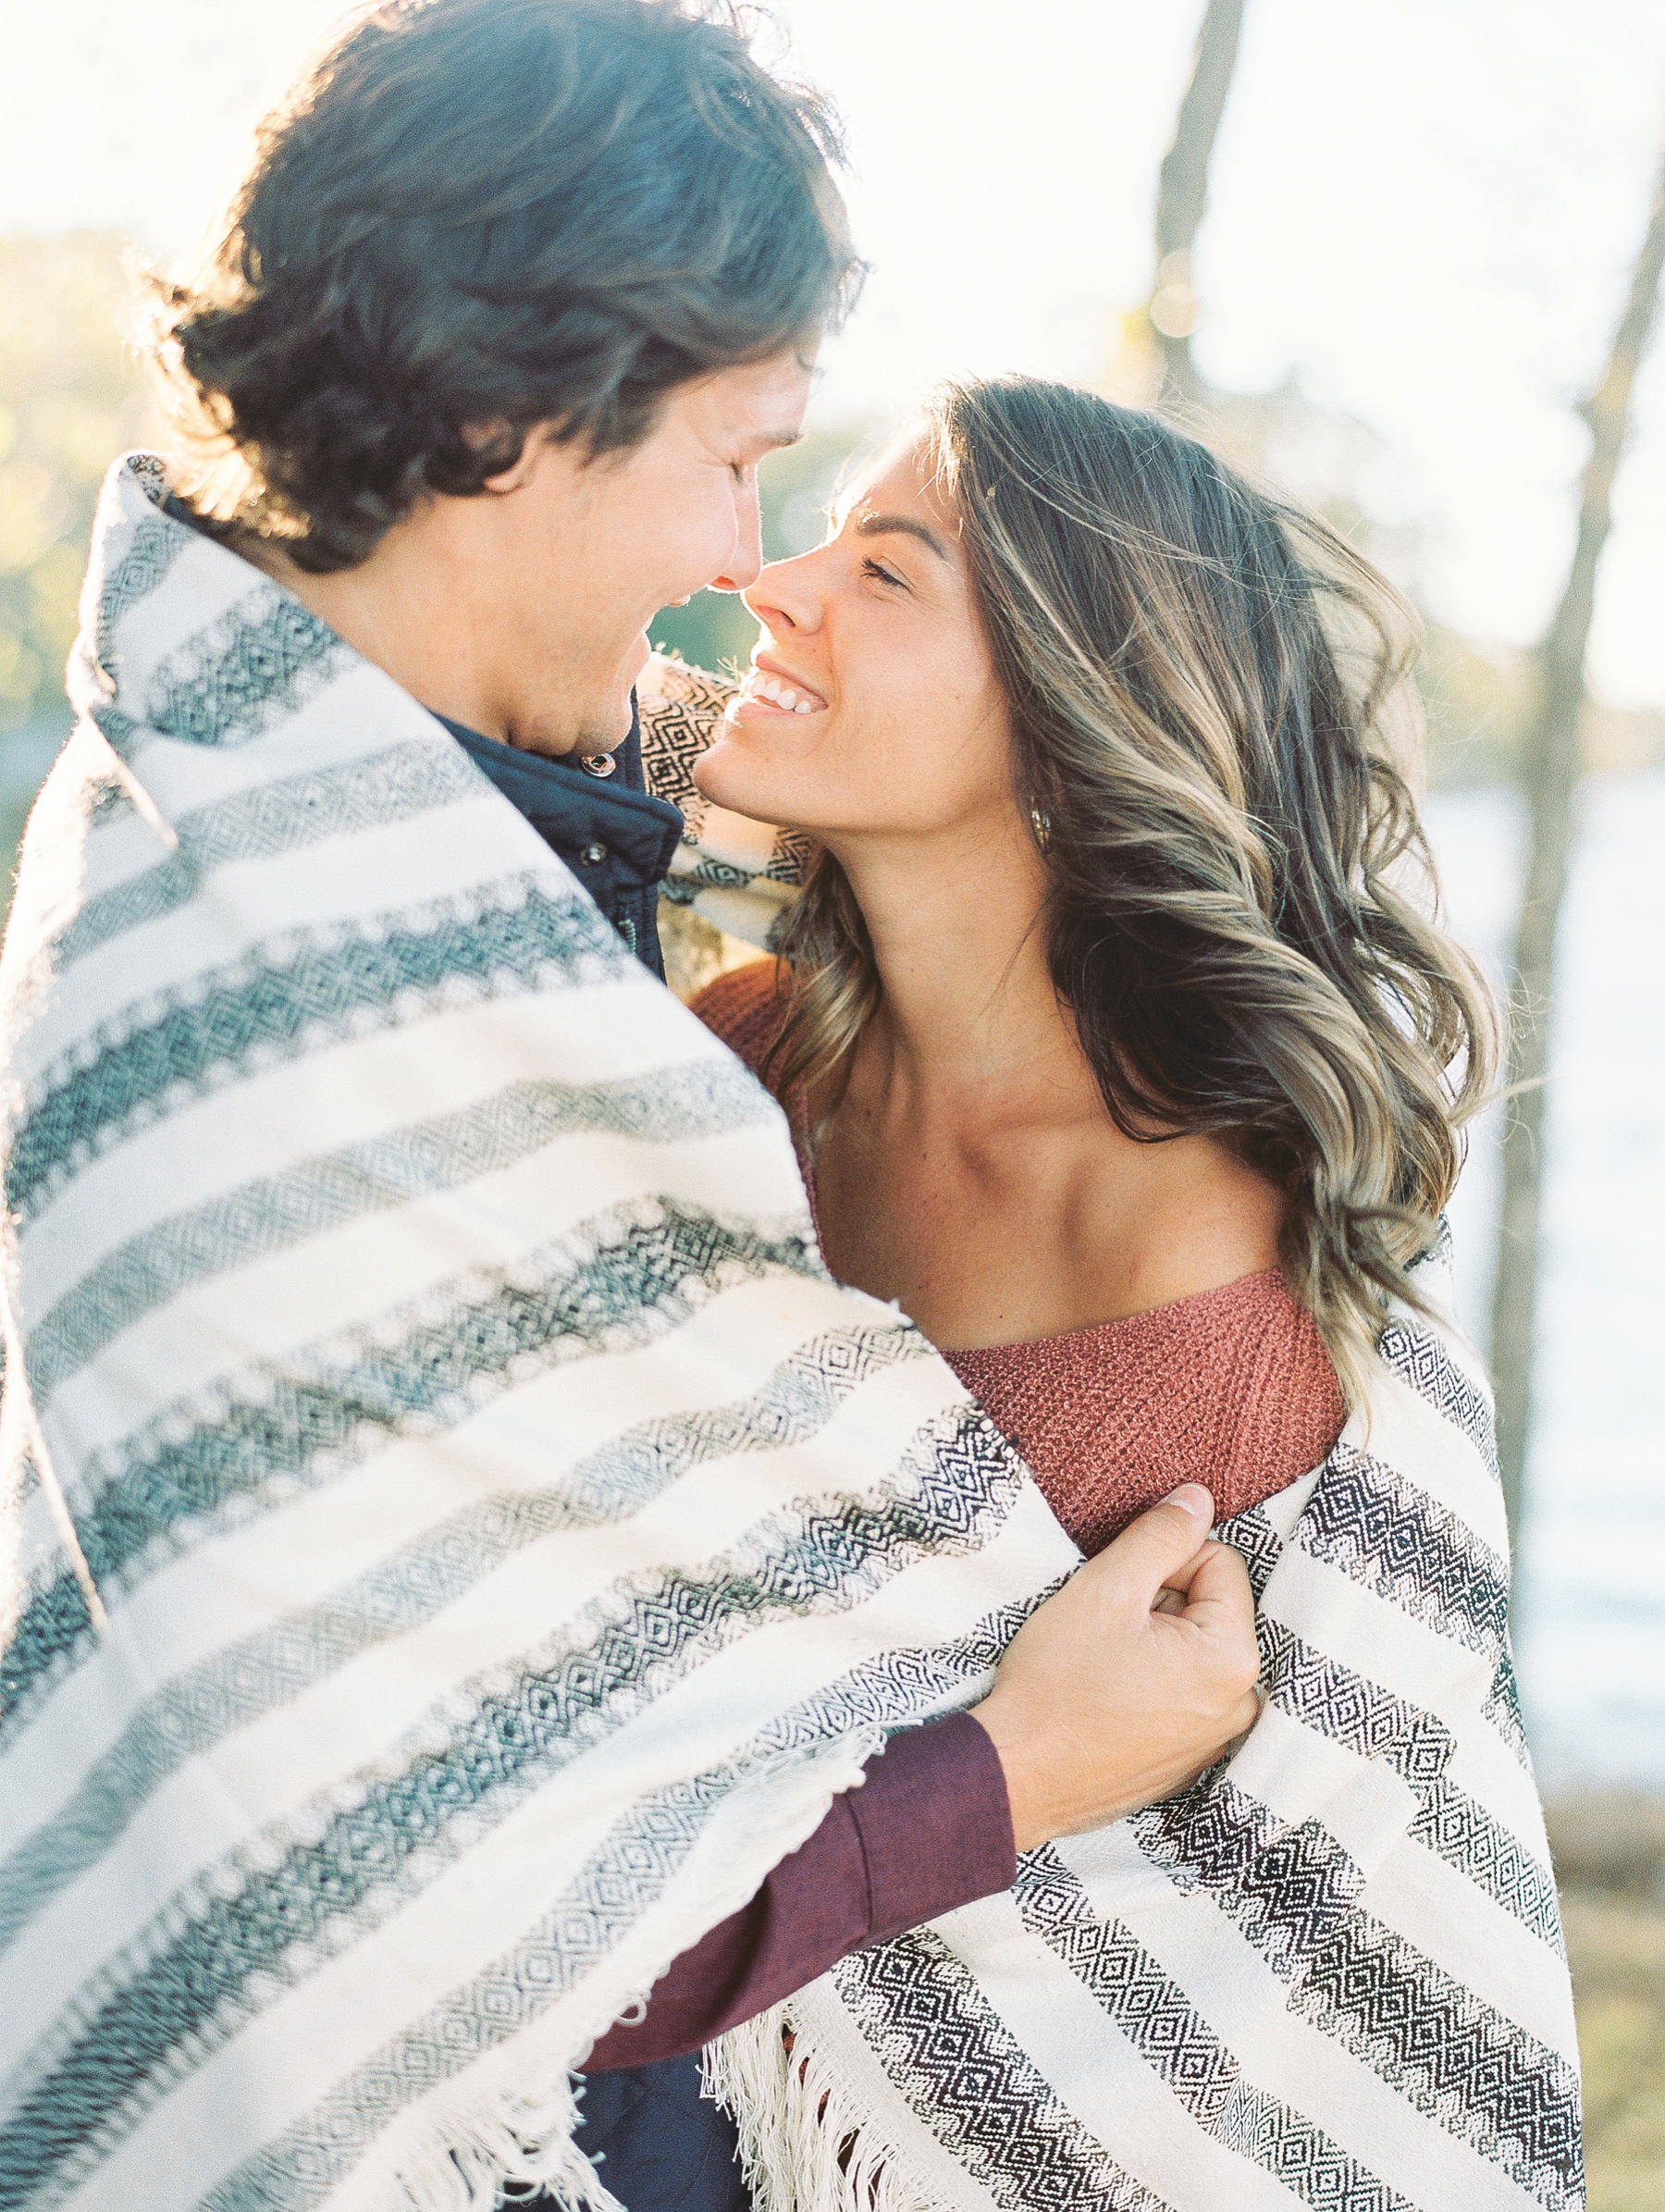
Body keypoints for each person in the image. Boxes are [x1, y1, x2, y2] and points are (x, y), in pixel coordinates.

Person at [0, 9, 1261, 2211]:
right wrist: (1015, 1764)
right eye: (739, 457)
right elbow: (392, 1906)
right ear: (512, 416)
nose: (735, 557)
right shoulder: (270, 983)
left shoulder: (432, 844)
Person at [625, 379, 1585, 2211]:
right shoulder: (741, 1067)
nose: (775, 582)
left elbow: (1259, 1925)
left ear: (1073, 723)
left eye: (882, 571)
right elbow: (517, 684)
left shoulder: (1216, 1273)